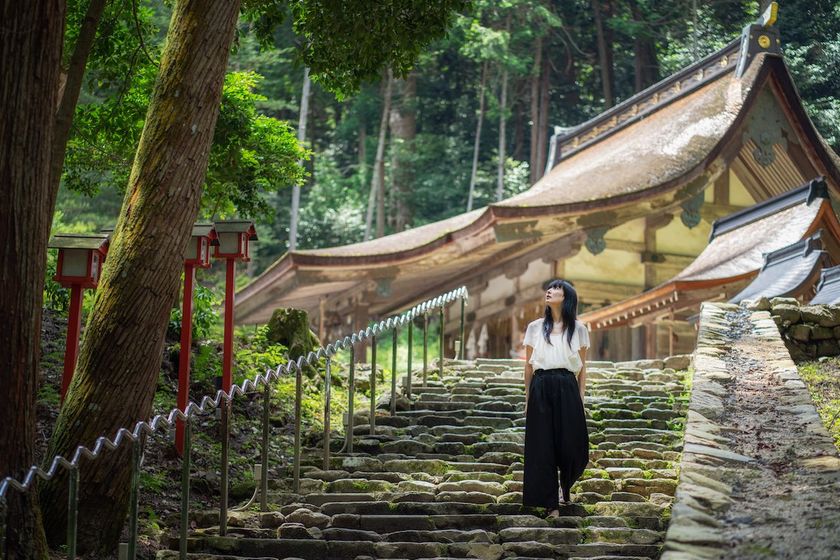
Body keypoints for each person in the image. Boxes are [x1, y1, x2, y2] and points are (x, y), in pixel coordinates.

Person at [522, 279, 590, 517]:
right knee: (542, 445)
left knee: (572, 444)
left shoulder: (579, 329)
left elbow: (582, 368)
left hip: (567, 385)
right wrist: (528, 397)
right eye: (549, 289)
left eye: (556, 289)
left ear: (567, 295)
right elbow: (528, 367)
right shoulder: (534, 327)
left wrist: (581, 400)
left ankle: (566, 485)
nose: (550, 292)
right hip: (541, 384)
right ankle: (551, 503)